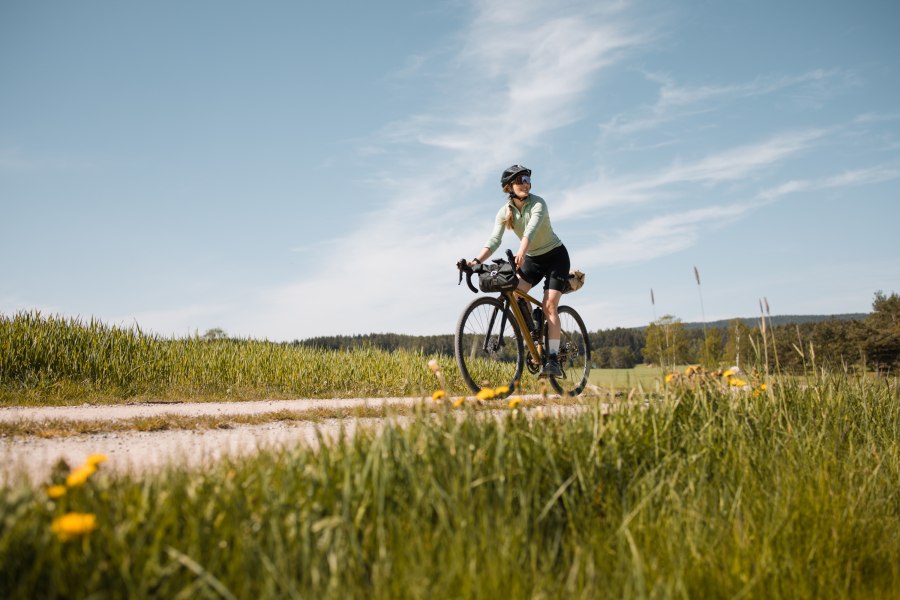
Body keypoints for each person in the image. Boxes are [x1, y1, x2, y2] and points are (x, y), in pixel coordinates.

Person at [467, 165, 570, 378]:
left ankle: (552, 361)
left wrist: (521, 251)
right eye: (520, 179)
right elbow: (494, 240)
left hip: (555, 257)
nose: (525, 183)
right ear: (509, 187)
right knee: (514, 292)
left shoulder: (538, 203)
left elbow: (531, 229)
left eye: (527, 179)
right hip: (533, 260)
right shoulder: (505, 212)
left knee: (549, 304)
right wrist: (475, 261)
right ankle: (533, 332)